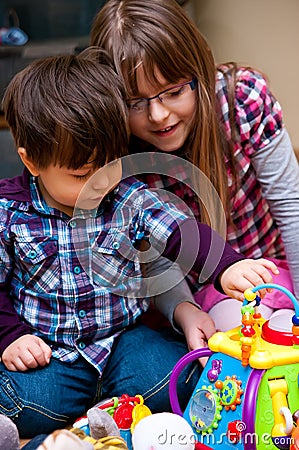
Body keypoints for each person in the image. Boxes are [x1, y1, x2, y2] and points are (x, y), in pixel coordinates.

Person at [0, 49, 277, 438]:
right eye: (81, 174)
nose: (99, 183)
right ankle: (86, 422)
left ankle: (106, 414)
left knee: (178, 376)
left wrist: (225, 265)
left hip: (123, 342)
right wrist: (10, 338)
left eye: (109, 166)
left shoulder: (129, 195)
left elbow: (181, 230)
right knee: (23, 400)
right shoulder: (8, 212)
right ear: (31, 163)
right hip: (50, 351)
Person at [90, 0, 299, 341]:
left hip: (274, 267)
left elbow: (291, 206)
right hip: (195, 293)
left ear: (198, 71)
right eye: (135, 103)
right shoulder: (122, 155)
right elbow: (151, 258)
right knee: (243, 337)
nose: (158, 115)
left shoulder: (242, 99)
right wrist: (184, 312)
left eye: (172, 92)